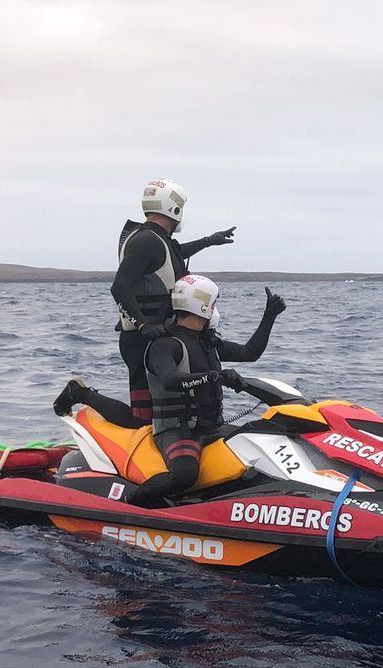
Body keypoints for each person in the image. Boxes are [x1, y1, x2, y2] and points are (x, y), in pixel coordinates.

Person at [56, 276, 287, 501]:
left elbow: (250, 353)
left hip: (212, 427)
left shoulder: (208, 343)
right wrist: (213, 376)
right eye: (214, 303)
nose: (216, 309)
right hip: (176, 430)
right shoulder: (165, 344)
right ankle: (131, 504)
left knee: (262, 437)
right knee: (184, 475)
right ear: (203, 305)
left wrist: (270, 315)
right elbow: (170, 380)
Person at [111, 179, 236, 422]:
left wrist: (209, 240)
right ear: (174, 209)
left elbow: (174, 254)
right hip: (144, 339)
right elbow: (120, 287)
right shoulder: (145, 241)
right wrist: (143, 325)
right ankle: (81, 394)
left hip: (158, 335)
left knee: (169, 408)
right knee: (145, 417)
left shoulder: (155, 239)